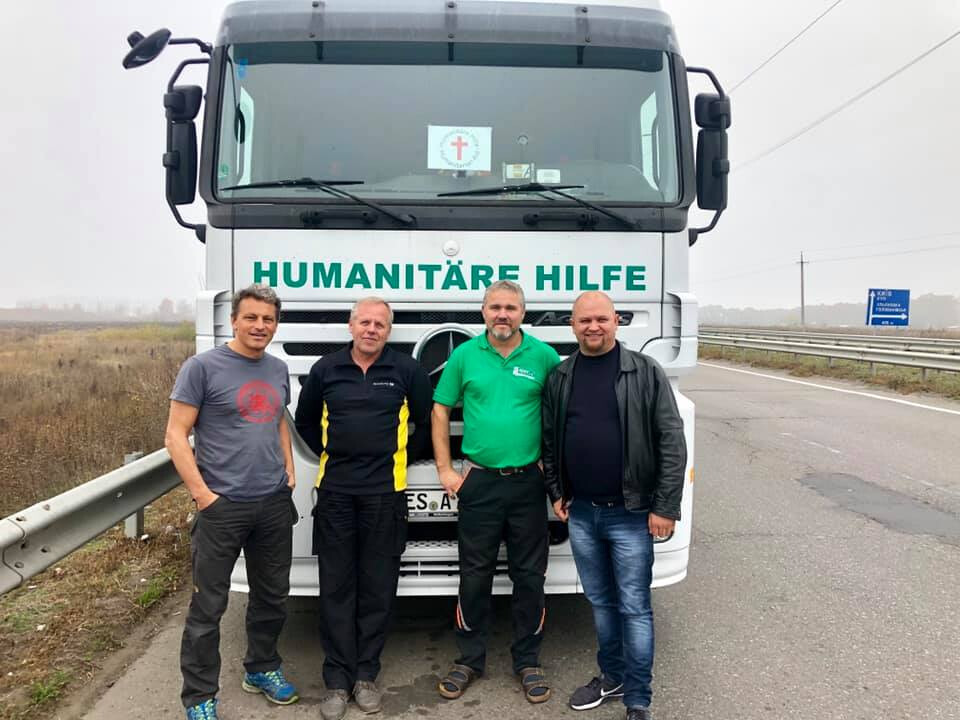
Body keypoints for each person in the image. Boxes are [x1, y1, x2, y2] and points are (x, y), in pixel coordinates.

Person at [541, 291, 686, 720]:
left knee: (634, 607)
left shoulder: (645, 371)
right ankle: (612, 677)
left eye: (601, 319)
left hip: (632, 513)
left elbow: (671, 441)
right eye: (584, 320)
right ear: (572, 325)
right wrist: (556, 491)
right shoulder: (560, 376)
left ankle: (638, 698)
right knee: (601, 603)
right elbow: (550, 440)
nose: (593, 327)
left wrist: (665, 507)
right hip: (583, 512)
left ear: (616, 321)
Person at [165, 284, 299, 720]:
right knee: (208, 607)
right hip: (222, 507)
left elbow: (277, 419)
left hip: (272, 502)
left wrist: (288, 468)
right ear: (234, 321)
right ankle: (199, 696)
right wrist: (203, 495)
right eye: (252, 317)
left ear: (275, 325)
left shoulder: (278, 368)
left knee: (272, 596)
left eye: (268, 319)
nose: (260, 326)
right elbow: (176, 435)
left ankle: (262, 668)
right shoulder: (202, 368)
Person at [295, 297, 432, 720]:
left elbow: (425, 424)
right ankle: (337, 680)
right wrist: (337, 454)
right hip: (335, 494)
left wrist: (398, 459)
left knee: (377, 589)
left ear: (389, 331)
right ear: (351, 326)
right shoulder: (325, 370)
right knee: (336, 589)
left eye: (380, 324)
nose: (372, 329)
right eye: (365, 322)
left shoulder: (407, 370)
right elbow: (305, 423)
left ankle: (366, 675)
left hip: (385, 496)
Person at [431, 280, 560, 704]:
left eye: (511, 308)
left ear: (523, 313)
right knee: (474, 575)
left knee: (529, 576)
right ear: (483, 311)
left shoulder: (544, 356)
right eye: (495, 307)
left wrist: (553, 473)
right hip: (480, 482)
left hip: (527, 483)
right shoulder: (465, 355)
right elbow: (440, 409)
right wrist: (446, 469)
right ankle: (469, 659)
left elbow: (560, 414)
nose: (502, 314)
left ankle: (528, 661)